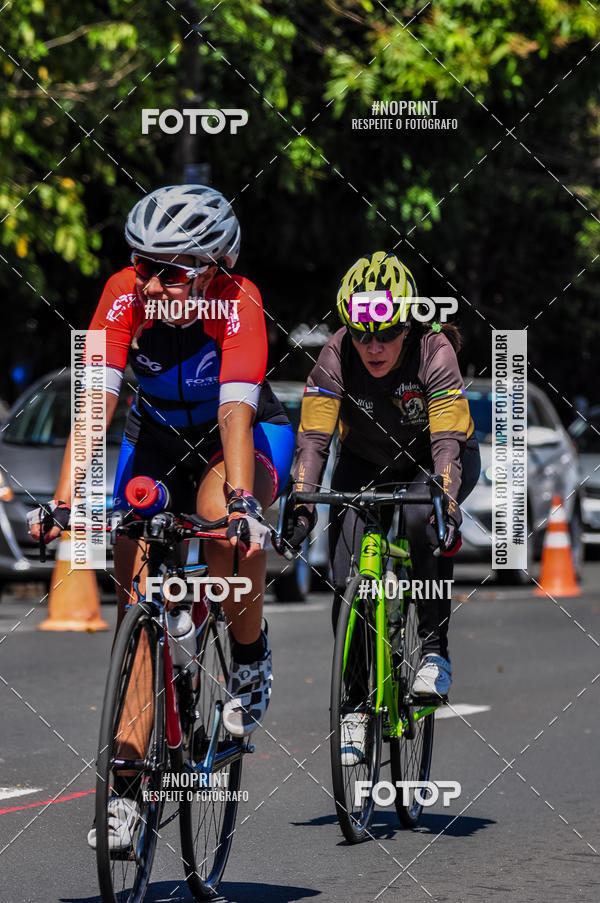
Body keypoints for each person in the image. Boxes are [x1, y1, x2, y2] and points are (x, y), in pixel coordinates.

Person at [28, 184, 294, 847]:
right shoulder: (123, 293)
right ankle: (124, 794)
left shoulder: (240, 300)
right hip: (154, 441)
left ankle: (250, 653)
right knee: (137, 606)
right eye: (141, 262)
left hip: (236, 441)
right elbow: (95, 405)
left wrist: (240, 504)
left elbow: (236, 409)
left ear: (210, 267)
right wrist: (63, 504)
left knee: (216, 515)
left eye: (168, 269)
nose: (149, 280)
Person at [287, 251, 480, 760]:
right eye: (361, 334)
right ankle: (353, 708)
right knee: (344, 572)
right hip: (364, 461)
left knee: (422, 515)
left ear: (408, 326)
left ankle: (435, 652)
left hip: (434, 460)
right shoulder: (333, 356)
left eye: (386, 333)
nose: (373, 346)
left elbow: (445, 443)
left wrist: (447, 504)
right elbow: (312, 438)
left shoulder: (434, 351)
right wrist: (302, 504)